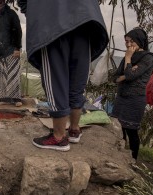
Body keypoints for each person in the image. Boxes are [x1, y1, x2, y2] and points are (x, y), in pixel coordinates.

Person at [17, 0, 109, 151]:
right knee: (77, 79)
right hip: (84, 17)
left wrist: (35, 13)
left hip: (51, 21)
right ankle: (74, 129)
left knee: (55, 80)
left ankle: (59, 137)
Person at [112, 27, 153, 160]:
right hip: (121, 97)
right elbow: (115, 77)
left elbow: (130, 75)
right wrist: (126, 74)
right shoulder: (129, 57)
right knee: (119, 129)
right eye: (126, 41)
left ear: (140, 41)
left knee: (131, 131)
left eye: (132, 41)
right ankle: (119, 157)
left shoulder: (148, 58)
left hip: (135, 99)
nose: (128, 45)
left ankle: (132, 160)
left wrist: (128, 59)